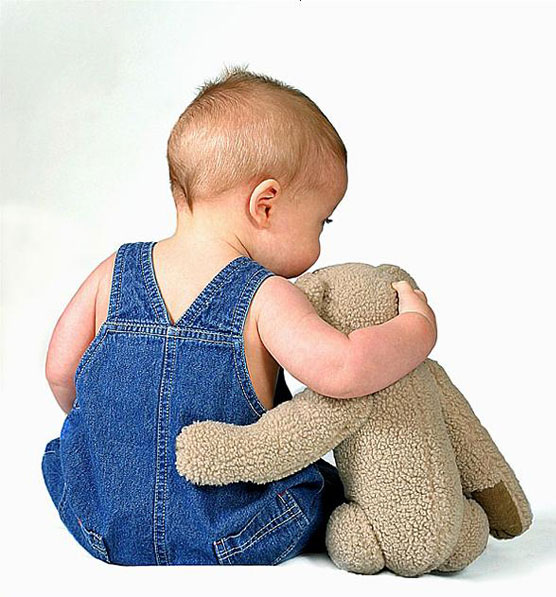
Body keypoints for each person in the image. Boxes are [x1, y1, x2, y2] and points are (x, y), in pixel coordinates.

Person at [41, 65, 437, 566]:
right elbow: (345, 369)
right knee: (329, 488)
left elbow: (60, 371)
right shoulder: (265, 295)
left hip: (102, 524)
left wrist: (115, 442)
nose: (321, 239)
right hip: (236, 532)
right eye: (322, 220)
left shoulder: (113, 271)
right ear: (265, 205)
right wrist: (416, 329)